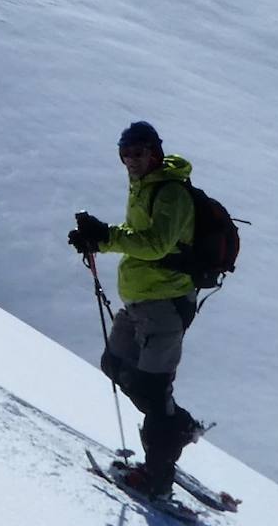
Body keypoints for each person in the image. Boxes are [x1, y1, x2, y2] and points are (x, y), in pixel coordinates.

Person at [68, 120, 203, 498]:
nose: (131, 160)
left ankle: (158, 480)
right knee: (115, 364)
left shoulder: (172, 193)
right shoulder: (143, 188)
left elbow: (157, 245)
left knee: (153, 394)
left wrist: (107, 236)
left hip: (165, 305)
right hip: (139, 301)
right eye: (124, 153)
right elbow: (139, 240)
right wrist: (97, 239)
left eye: (138, 152)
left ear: (155, 153)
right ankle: (180, 425)